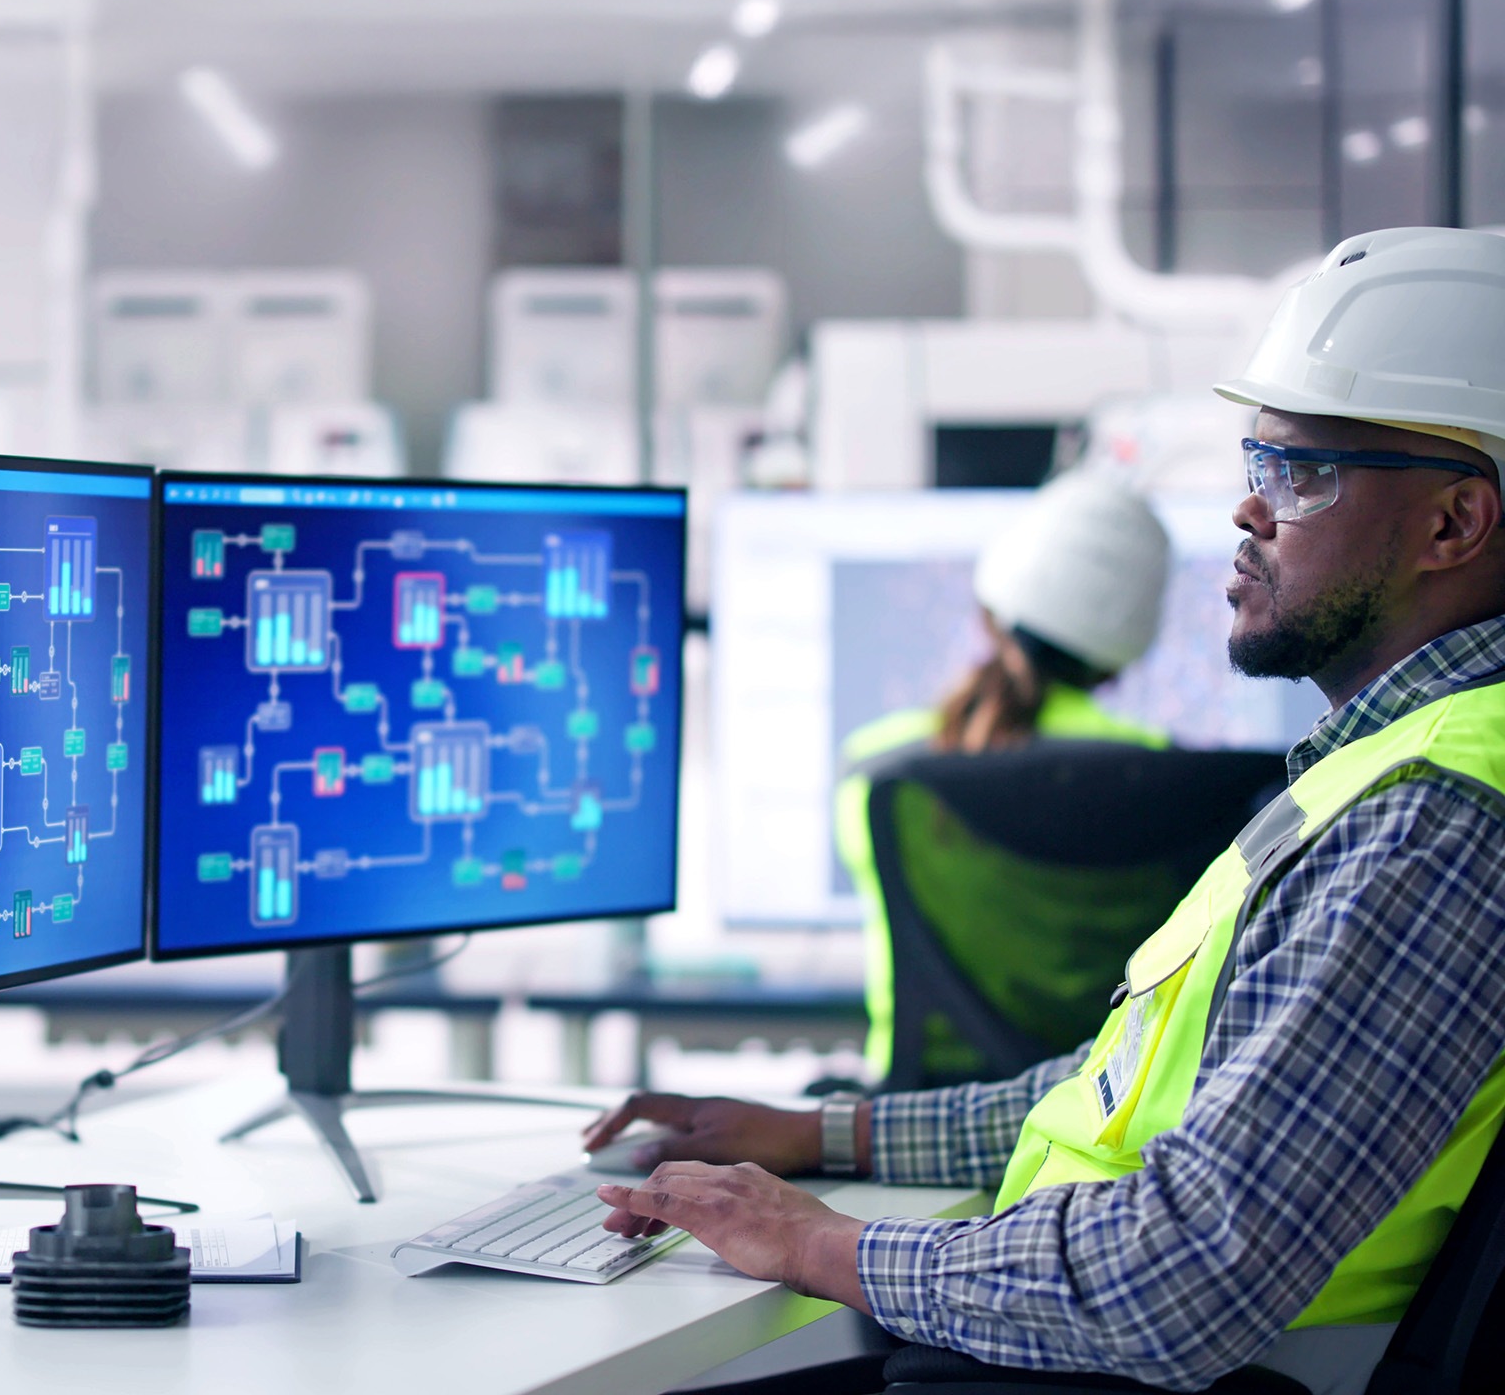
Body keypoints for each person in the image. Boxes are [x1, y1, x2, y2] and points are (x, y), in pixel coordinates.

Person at [583, 226, 1505, 1395]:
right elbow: (1122, 1089)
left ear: (1453, 525)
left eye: (1299, 471)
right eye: (1254, 461)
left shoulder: (1434, 819)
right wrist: (825, 1136)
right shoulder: (1373, 774)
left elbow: (1184, 1277)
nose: (1245, 510)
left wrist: (822, 1242)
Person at [834, 474, 1171, 1082]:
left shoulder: (880, 767)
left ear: (988, 618)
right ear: (1124, 656)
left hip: (910, 1127)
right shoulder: (1166, 779)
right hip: (1091, 1132)